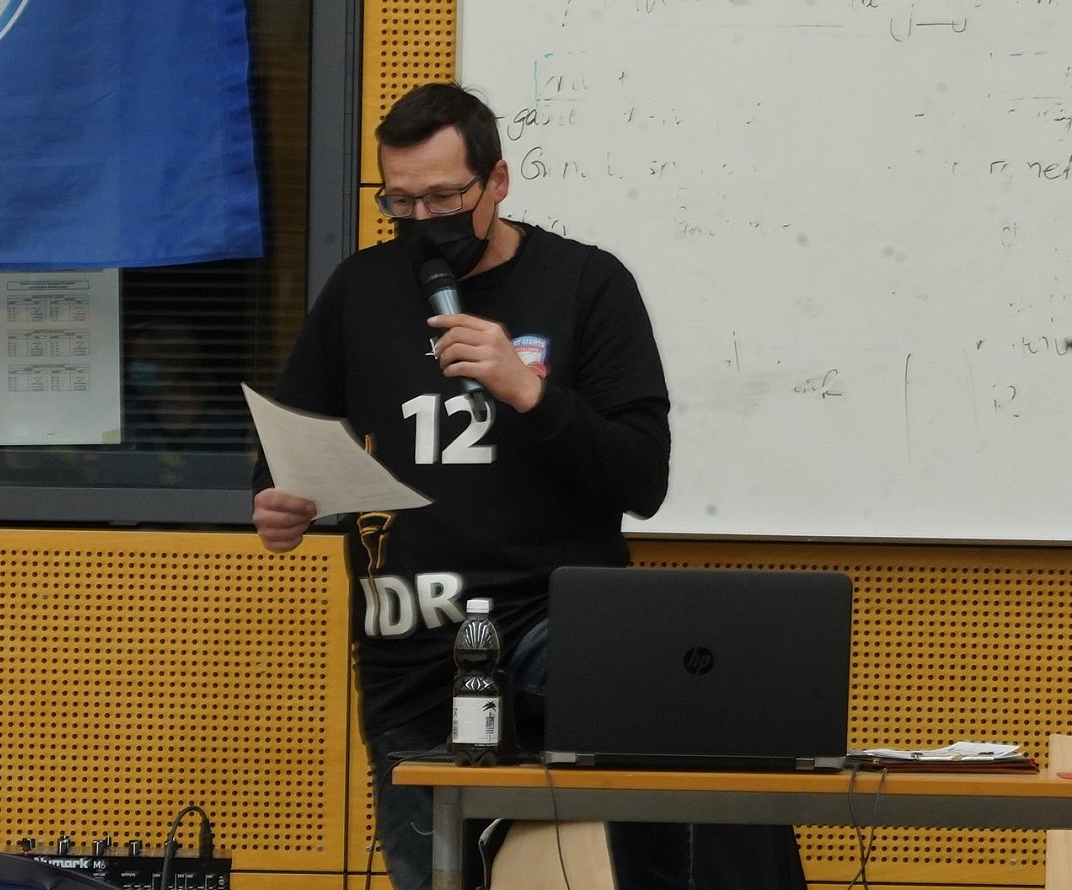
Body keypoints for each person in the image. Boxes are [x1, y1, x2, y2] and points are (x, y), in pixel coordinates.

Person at [252, 82, 805, 890]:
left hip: (557, 628)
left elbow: (642, 477)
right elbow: (290, 440)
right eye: (400, 202)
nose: (422, 220)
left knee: (650, 813)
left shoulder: (586, 285)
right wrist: (280, 500)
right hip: (411, 646)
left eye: (445, 198)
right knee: (435, 872)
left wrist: (528, 392)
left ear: (499, 181)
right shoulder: (360, 291)